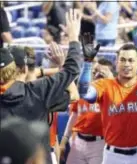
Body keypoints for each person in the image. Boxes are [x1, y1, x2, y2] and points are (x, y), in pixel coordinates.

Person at [0, 9, 82, 164]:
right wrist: (73, 38)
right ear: (23, 69)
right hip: (38, 158)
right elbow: (73, 72)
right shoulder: (38, 90)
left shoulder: (37, 87)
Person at [77, 42, 137, 164]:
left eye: (131, 60)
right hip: (113, 156)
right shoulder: (105, 85)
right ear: (116, 62)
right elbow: (84, 93)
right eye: (122, 60)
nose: (126, 64)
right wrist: (87, 62)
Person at [60, 57, 114, 164]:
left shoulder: (112, 93)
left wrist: (110, 80)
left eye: (102, 73)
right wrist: (64, 140)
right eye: (95, 72)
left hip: (100, 142)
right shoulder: (84, 91)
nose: (97, 75)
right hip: (78, 141)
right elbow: (74, 115)